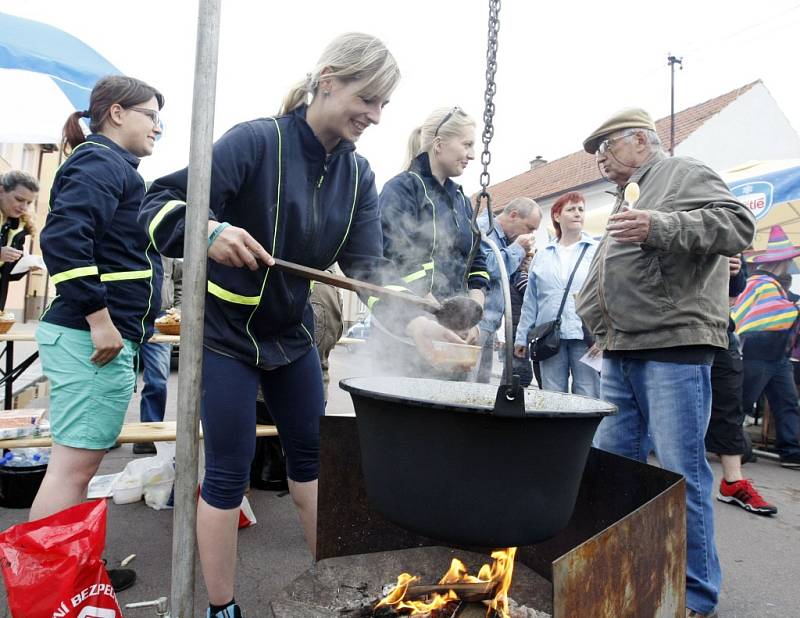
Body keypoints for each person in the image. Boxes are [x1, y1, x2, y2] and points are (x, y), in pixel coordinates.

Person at [139, 34, 465, 618]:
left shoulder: (359, 175)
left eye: (384, 105)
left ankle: (337, 593)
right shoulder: (256, 142)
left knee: (313, 463)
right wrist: (208, 232)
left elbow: (368, 272)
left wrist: (413, 323)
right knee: (228, 474)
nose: (375, 115)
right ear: (329, 80)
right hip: (226, 337)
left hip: (292, 338)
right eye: (368, 98)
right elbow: (157, 203)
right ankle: (222, 607)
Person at [575, 108, 755, 618]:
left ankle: (695, 595)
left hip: (673, 346)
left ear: (639, 140)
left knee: (680, 475)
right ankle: (633, 574)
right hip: (623, 348)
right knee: (617, 470)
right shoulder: (628, 193)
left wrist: (663, 225)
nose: (600, 159)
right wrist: (592, 316)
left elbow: (738, 224)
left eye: (605, 146)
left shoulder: (681, 171)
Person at [29, 75, 165, 595]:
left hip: (100, 337)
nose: (158, 126)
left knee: (77, 468)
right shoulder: (100, 162)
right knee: (71, 470)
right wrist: (100, 318)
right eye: (150, 114)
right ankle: (53, 586)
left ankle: (73, 573)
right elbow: (63, 239)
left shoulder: (112, 166)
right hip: (91, 338)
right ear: (115, 113)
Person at [379, 106, 489, 354]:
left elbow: (477, 261)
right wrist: (443, 317)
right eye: (467, 144)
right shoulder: (402, 190)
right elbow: (397, 260)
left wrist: (473, 316)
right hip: (408, 333)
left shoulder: (461, 199)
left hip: (454, 334)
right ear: (439, 144)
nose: (472, 155)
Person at [707, 255, 777, 514]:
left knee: (729, 405)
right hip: (673, 335)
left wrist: (733, 274)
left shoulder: (729, 234)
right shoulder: (669, 222)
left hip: (719, 333)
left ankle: (733, 482)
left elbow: (735, 295)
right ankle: (668, 485)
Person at [513, 192, 599, 397]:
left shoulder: (595, 250)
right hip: (549, 335)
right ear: (557, 216)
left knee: (588, 393)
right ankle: (555, 429)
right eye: (571, 209)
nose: (577, 213)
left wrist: (606, 336)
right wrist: (521, 338)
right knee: (551, 393)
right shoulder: (543, 255)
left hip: (586, 335)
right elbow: (531, 301)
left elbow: (608, 294)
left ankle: (584, 430)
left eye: (580, 209)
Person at [732, 225, 800, 470]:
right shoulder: (759, 282)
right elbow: (749, 315)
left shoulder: (776, 286)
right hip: (757, 355)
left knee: (787, 402)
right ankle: (731, 445)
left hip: (778, 357)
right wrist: (792, 307)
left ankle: (792, 451)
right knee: (743, 403)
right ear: (782, 262)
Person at [474, 197, 541, 383]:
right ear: (513, 215)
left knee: (481, 387)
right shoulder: (483, 229)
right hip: (475, 322)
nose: (531, 234)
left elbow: (501, 282)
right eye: (529, 228)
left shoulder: (505, 239)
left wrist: (518, 267)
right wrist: (518, 249)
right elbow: (486, 268)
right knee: (468, 384)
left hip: (489, 324)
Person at [133, 256, 182, 455]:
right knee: (118, 379)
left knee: (158, 379)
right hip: (129, 314)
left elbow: (180, 282)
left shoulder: (168, 246)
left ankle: (149, 435)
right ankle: (108, 434)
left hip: (160, 318)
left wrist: (177, 310)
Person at [0, 170, 40, 310]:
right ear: (1, 191)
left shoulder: (19, 228)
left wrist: (26, 267)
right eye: (19, 199)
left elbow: (8, 275)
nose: (24, 207)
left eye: (29, 203)